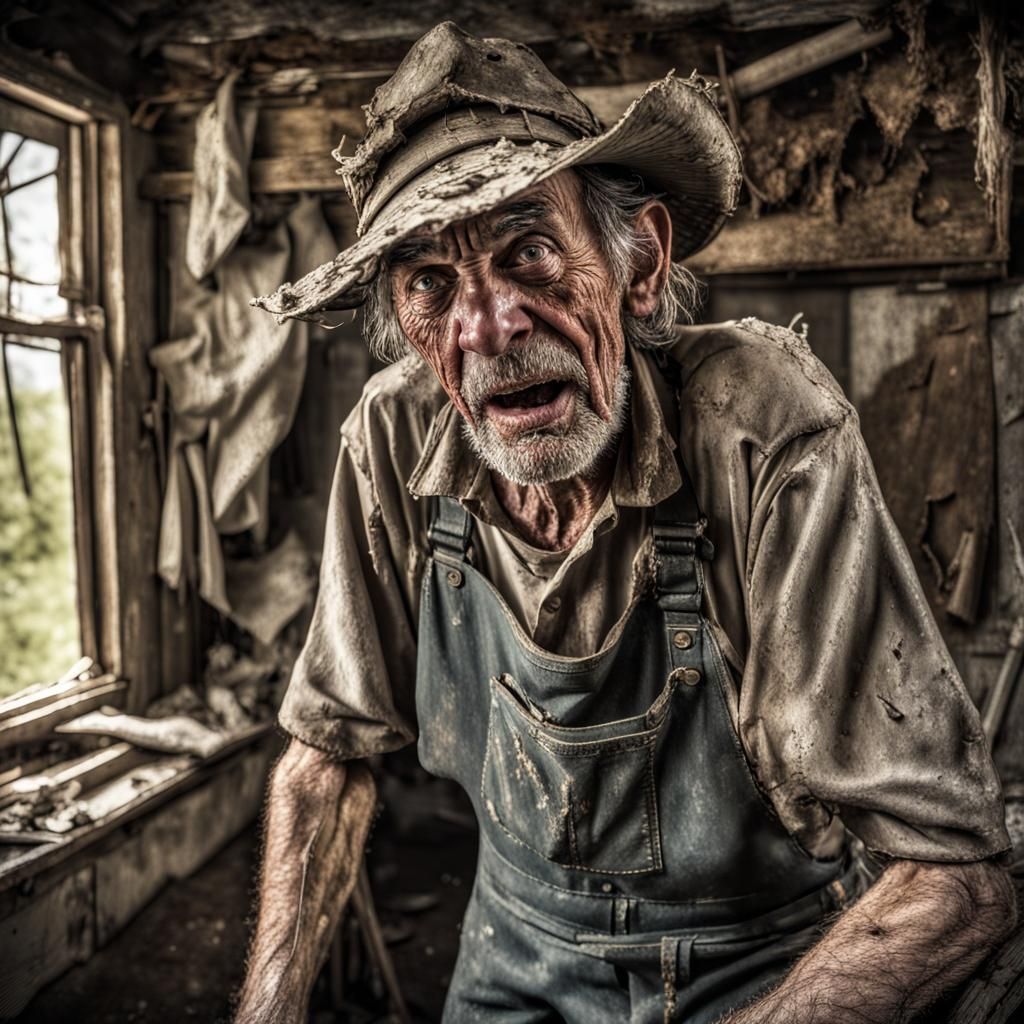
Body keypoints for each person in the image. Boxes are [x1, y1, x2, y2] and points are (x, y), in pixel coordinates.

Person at [237, 21, 1016, 1024]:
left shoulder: (758, 423)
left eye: (529, 252)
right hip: (511, 950)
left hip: (762, 965)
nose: (488, 326)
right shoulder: (392, 437)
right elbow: (326, 763)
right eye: (433, 284)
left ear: (639, 263)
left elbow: (956, 877)